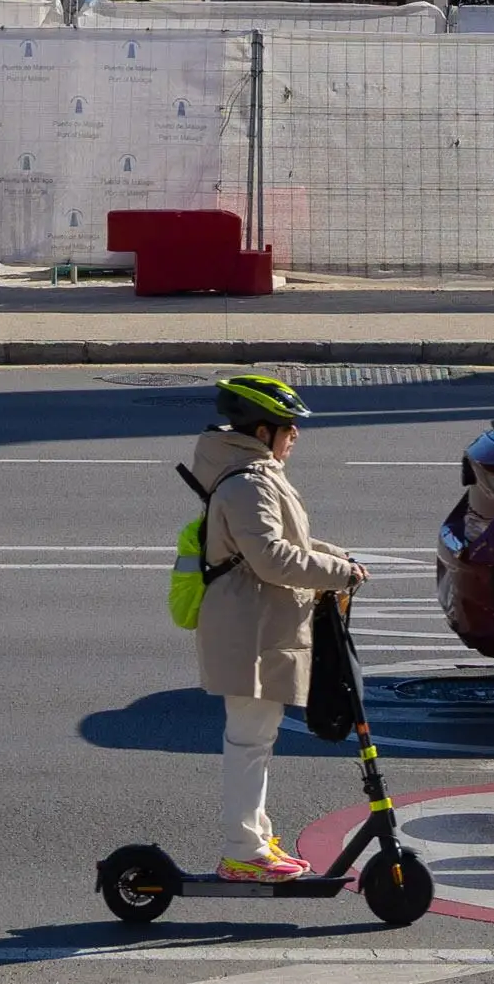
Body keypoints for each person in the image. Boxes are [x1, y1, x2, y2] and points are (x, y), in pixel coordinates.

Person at [181, 370, 365, 883]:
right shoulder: (247, 482)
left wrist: (335, 557)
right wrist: (339, 572)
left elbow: (285, 543)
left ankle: (255, 840)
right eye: (288, 427)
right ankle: (242, 849)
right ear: (261, 432)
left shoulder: (253, 473)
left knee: (255, 740)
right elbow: (271, 559)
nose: (295, 436)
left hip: (257, 624)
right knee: (247, 742)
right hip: (249, 631)